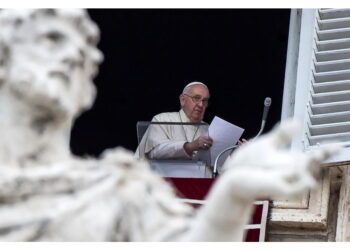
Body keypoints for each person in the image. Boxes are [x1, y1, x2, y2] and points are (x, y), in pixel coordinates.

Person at [0, 9, 340, 242]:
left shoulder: (210, 127)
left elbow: (214, 180)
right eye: (194, 99)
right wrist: (190, 147)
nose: (199, 105)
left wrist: (239, 157)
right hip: (167, 186)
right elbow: (154, 148)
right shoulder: (163, 122)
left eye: (204, 101)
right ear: (181, 100)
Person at [136, 81, 214, 160]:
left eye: (205, 101)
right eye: (196, 98)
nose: (201, 105)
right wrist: (189, 146)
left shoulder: (207, 128)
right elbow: (155, 151)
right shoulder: (162, 120)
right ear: (183, 100)